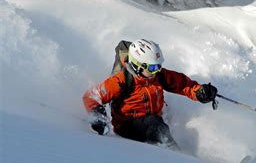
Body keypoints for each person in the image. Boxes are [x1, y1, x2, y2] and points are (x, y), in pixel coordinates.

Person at [83, 39, 217, 150]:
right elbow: (91, 96)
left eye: (159, 65)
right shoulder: (122, 80)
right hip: (127, 125)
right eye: (153, 67)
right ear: (137, 65)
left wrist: (199, 92)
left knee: (159, 120)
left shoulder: (157, 75)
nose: (157, 70)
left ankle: (174, 149)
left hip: (153, 120)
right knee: (156, 125)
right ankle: (176, 156)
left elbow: (182, 84)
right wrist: (97, 114)